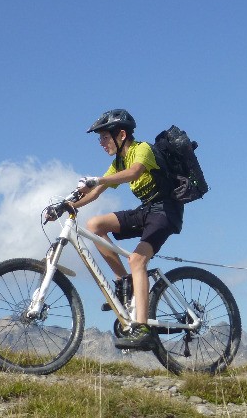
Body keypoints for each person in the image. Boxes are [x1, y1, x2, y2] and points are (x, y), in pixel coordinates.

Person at [64, 108, 184, 350]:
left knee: (138, 260)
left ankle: (143, 329)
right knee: (94, 225)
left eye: (104, 137)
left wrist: (99, 179)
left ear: (121, 135)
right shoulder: (118, 161)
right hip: (147, 210)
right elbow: (95, 192)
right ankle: (124, 284)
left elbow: (134, 172)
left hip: (166, 212)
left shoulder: (142, 149)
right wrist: (68, 205)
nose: (101, 143)